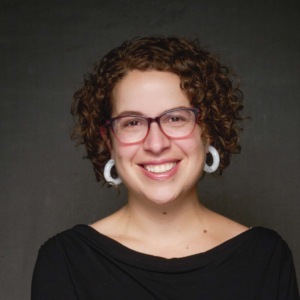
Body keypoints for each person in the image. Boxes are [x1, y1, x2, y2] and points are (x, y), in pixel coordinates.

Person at [31, 36, 299, 299]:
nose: (156, 144)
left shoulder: (267, 258)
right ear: (108, 141)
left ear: (209, 132)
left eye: (175, 118)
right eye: (132, 122)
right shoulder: (64, 261)